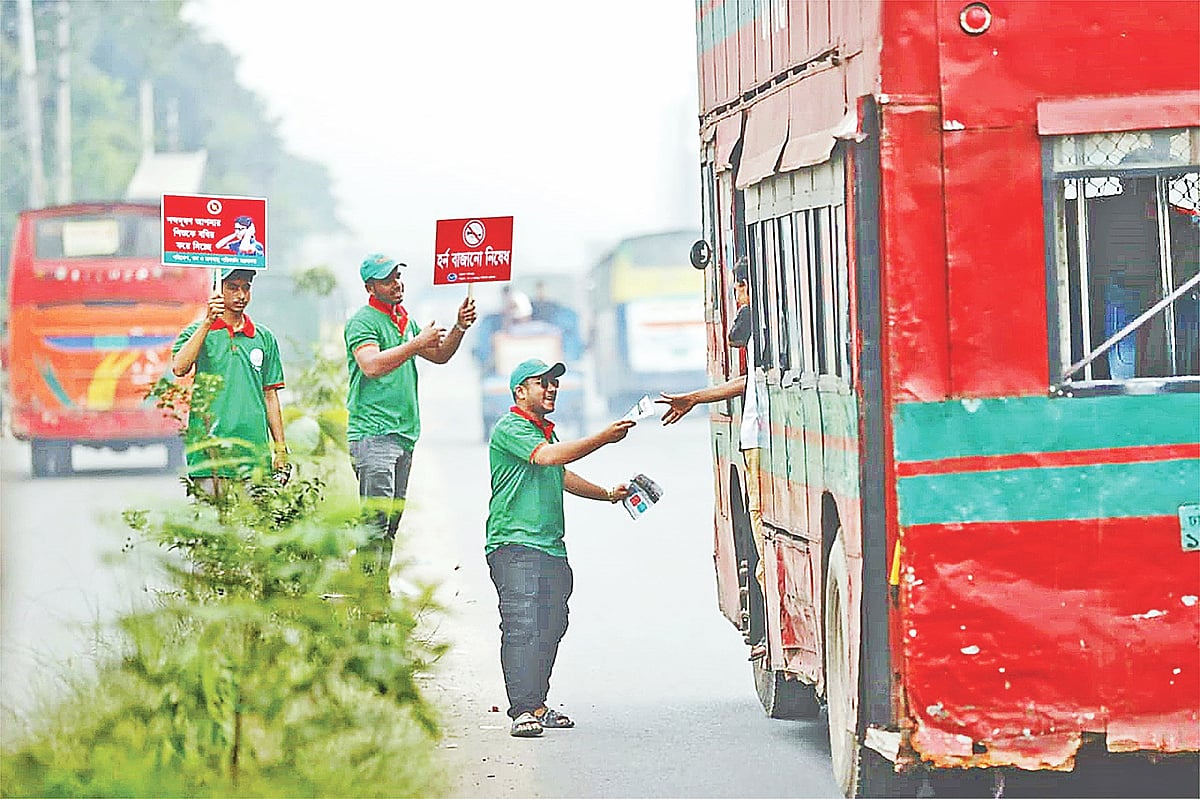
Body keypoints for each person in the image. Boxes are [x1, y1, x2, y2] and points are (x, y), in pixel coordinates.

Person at [486, 357, 634, 738]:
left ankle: (537, 704)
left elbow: (560, 472)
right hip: (514, 543)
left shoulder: (545, 432)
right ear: (520, 391)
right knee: (522, 624)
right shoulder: (512, 427)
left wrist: (606, 494)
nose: (551, 388)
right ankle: (522, 710)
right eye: (542, 383)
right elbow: (549, 458)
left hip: (549, 545)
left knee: (552, 623)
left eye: (554, 383)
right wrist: (602, 437)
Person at [655, 258, 769, 660]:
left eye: (738, 288)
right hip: (762, 443)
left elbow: (738, 336)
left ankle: (769, 634)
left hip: (760, 444)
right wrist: (696, 397)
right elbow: (748, 379)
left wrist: (751, 302)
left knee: (762, 538)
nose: (736, 297)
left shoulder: (762, 315)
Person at [344, 252, 477, 580]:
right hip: (373, 433)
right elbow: (371, 365)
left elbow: (441, 355)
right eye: (387, 280)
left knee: (390, 523)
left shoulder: (404, 320)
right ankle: (366, 592)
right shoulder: (363, 322)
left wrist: (459, 325)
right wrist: (415, 344)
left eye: (397, 277)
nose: (396, 284)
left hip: (403, 434)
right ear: (370, 287)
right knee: (375, 521)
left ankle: (378, 588)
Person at [171, 268, 288, 491]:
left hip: (254, 458)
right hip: (209, 458)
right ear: (218, 289)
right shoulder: (197, 333)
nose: (241, 295)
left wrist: (280, 448)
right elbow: (179, 367)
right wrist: (207, 323)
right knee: (210, 525)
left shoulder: (264, 338)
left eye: (246, 288)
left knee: (254, 524)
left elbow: (270, 396)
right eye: (233, 288)